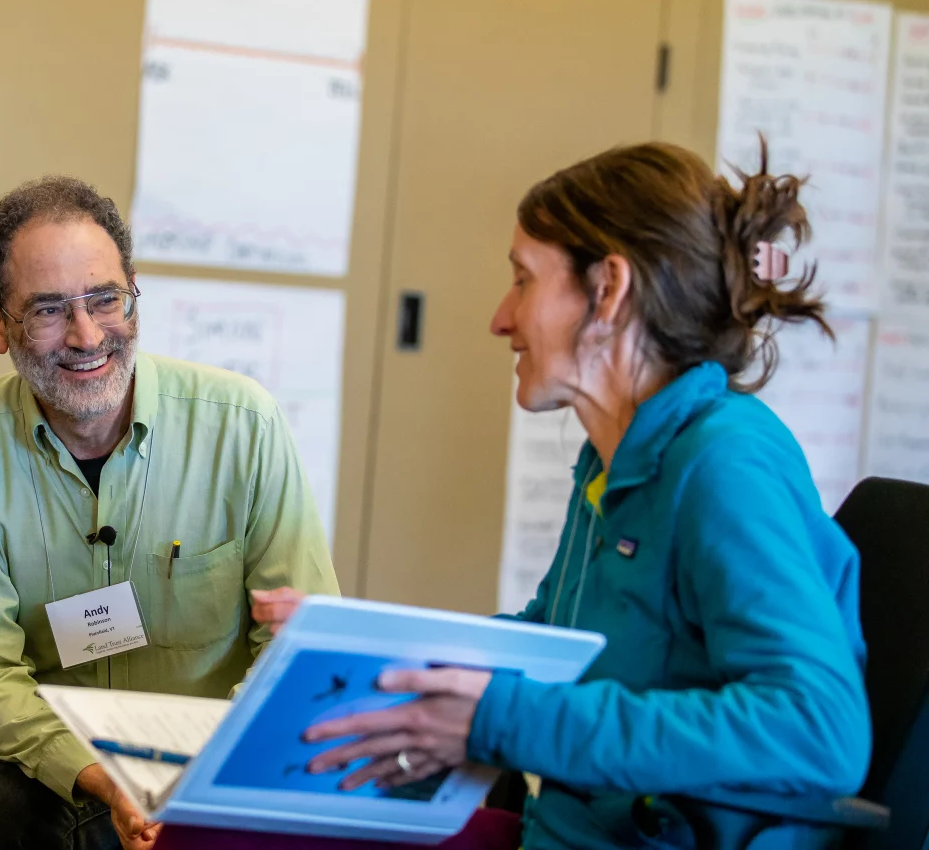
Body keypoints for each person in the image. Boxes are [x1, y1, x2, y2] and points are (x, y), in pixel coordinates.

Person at [157, 141, 870, 849]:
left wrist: (493, 720)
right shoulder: (614, 454)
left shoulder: (725, 463)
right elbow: (552, 649)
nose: (501, 318)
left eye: (524, 280)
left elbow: (818, 728)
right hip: (555, 830)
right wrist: (369, 651)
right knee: (203, 823)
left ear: (609, 290)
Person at [0, 175, 341, 850]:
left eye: (105, 300)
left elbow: (295, 635)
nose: (87, 336)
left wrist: (199, 772)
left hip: (220, 742)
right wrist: (95, 776)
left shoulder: (243, 425)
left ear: (134, 293)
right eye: (49, 310)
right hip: (64, 749)